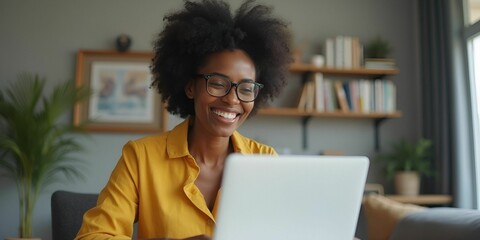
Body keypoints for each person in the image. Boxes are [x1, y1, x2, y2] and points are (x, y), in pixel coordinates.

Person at [75, 0, 292, 239]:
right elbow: (94, 236)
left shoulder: (266, 162)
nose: (232, 100)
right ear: (190, 87)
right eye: (218, 83)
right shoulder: (140, 158)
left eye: (246, 88)